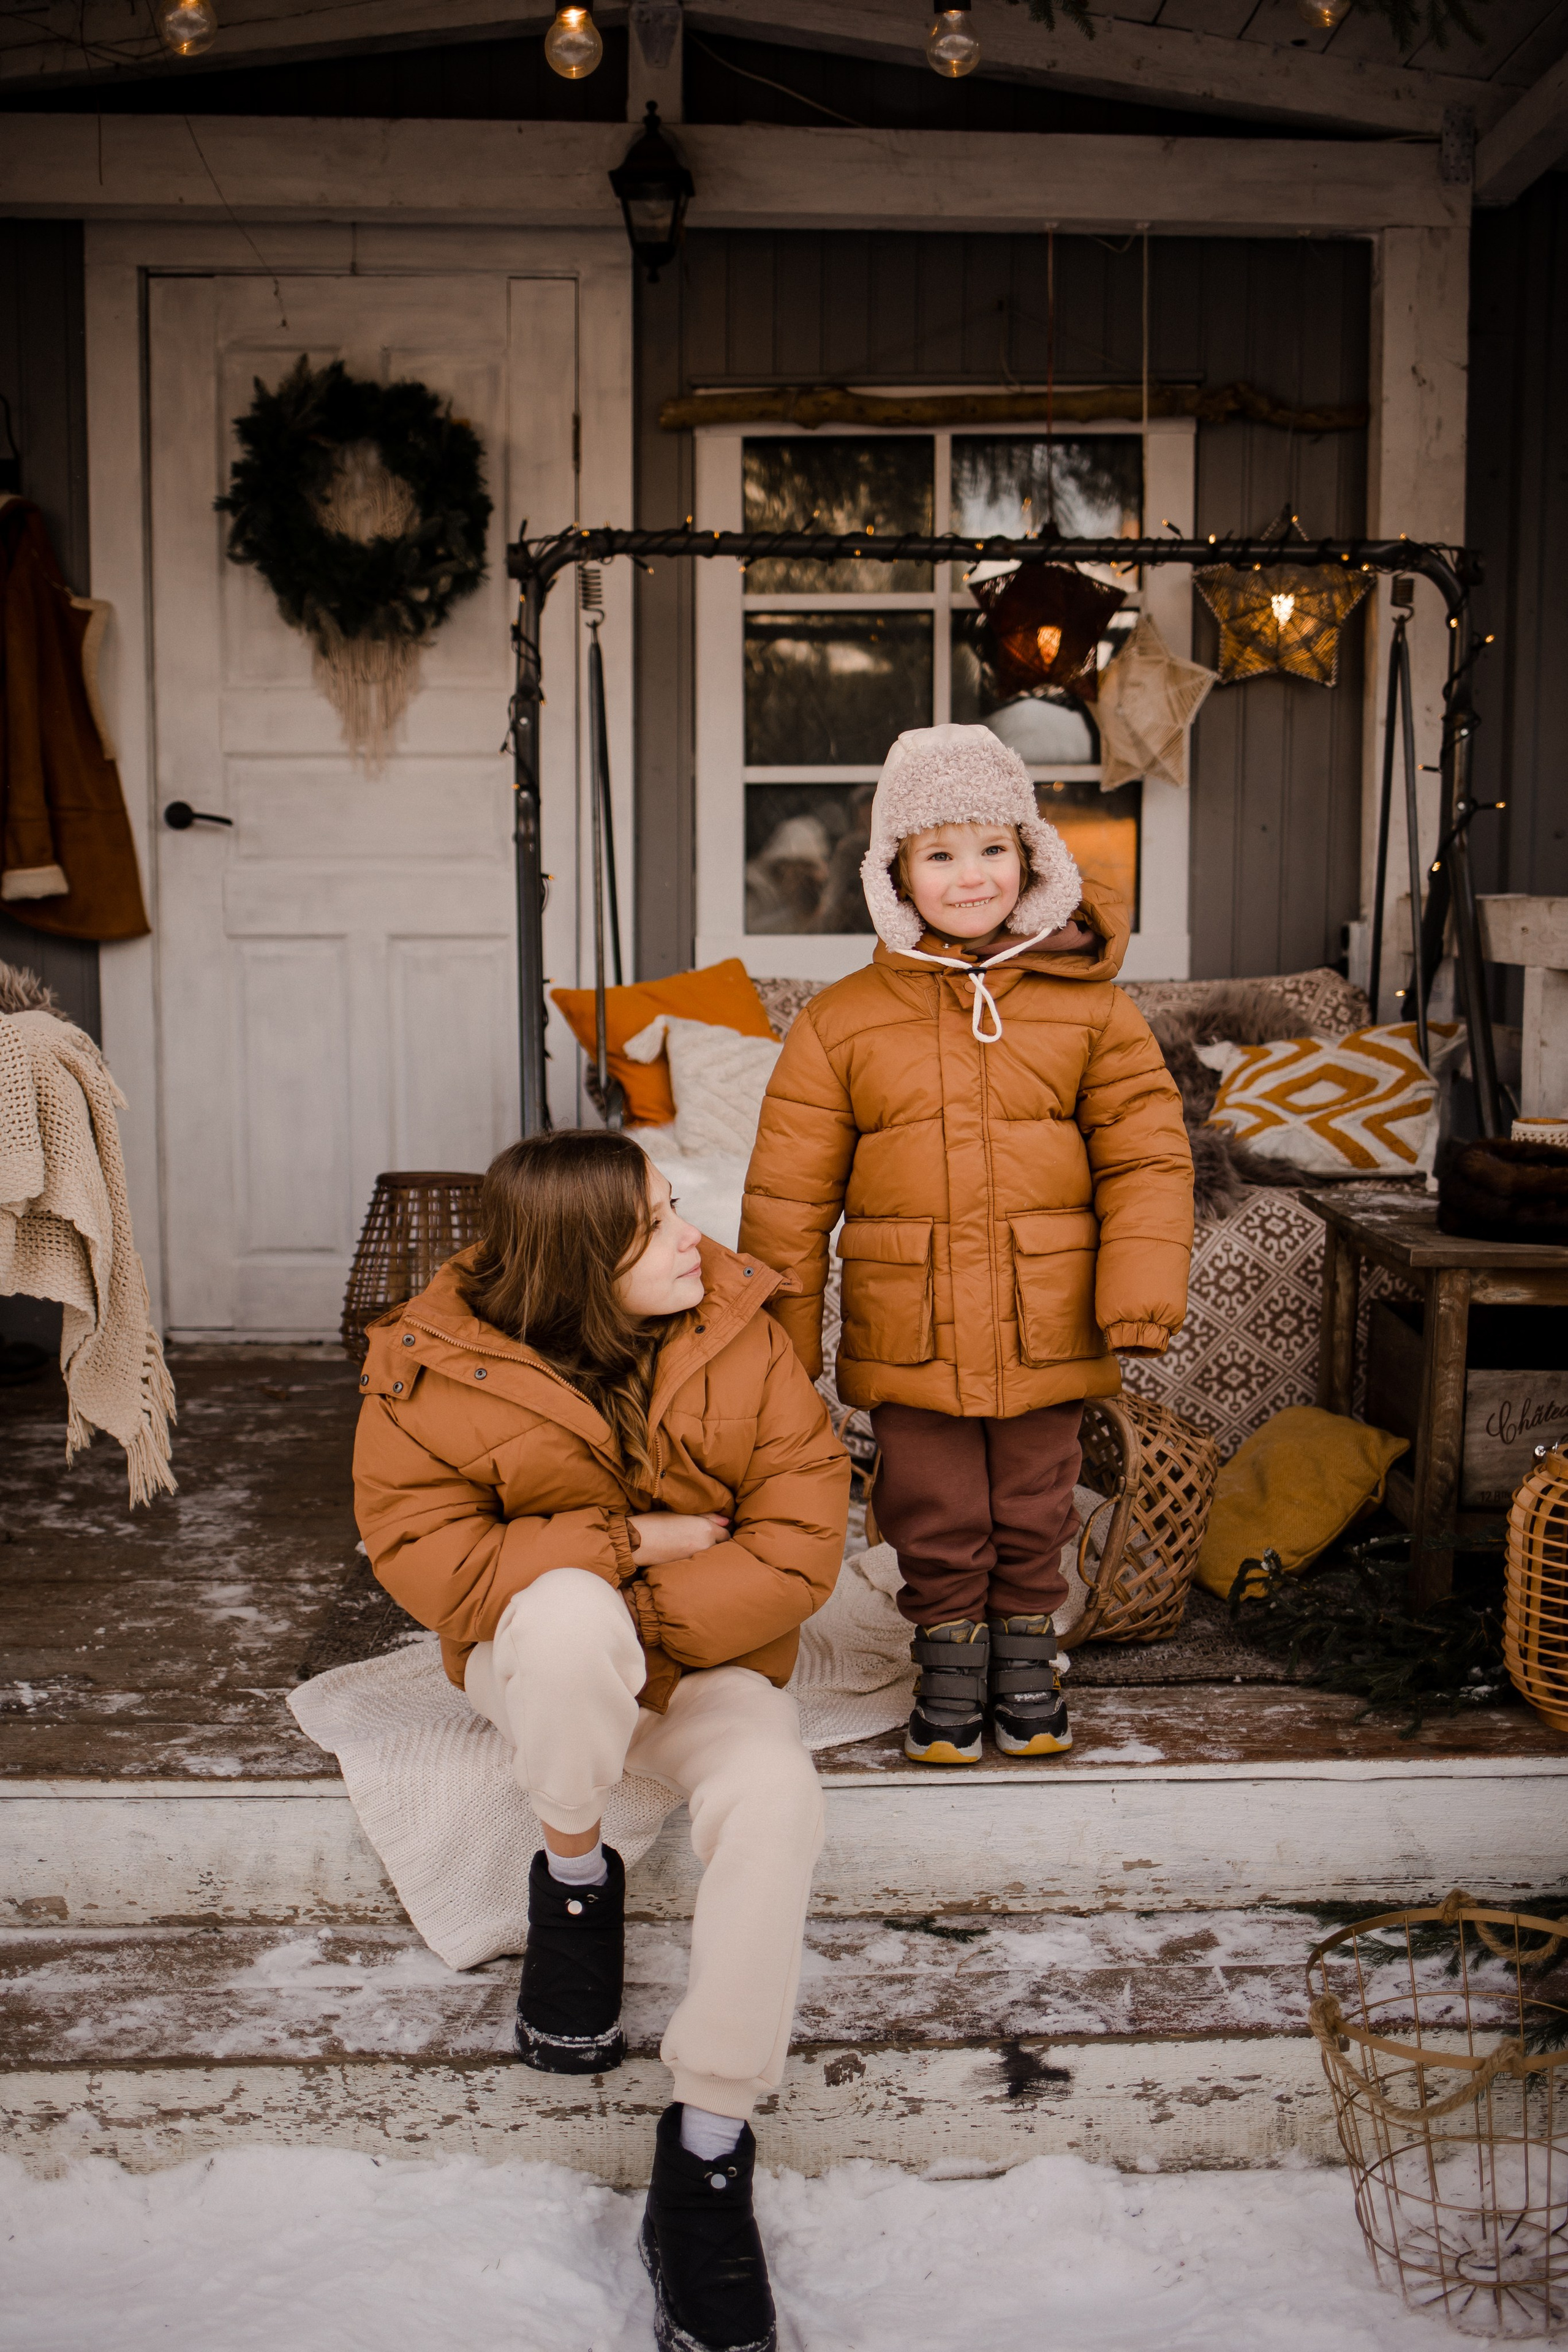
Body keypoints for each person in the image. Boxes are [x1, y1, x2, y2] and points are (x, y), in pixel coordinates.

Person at [353, 1129, 850, 2352]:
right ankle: (575, 1882)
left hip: (708, 1666)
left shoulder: (740, 1327)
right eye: (655, 1225)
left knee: (775, 1791)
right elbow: (431, 1562)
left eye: (675, 1206)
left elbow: (797, 1545)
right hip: (538, 1663)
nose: (693, 1238)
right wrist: (629, 1545)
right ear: (577, 1260)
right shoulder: (429, 1363)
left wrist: (644, 1615)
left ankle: (707, 2152)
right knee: (571, 1616)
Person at [739, 722, 1193, 1767]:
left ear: (1032, 858)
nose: (970, 875)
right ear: (894, 874)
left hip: (1049, 1315)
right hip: (912, 1319)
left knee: (1038, 1491)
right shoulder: (841, 1023)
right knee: (930, 1500)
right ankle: (949, 1659)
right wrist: (780, 1341)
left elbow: (1147, 1157)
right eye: (938, 854)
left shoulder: (1093, 1013)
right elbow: (788, 1195)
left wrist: (1138, 1289)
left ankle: (1026, 1657)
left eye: (992, 848)